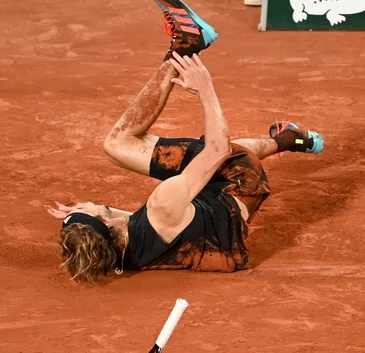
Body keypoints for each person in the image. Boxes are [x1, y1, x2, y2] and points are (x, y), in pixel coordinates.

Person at [47, 0, 325, 284]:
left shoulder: (121, 255)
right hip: (239, 183)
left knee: (219, 160)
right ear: (106, 224)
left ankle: (292, 139)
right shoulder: (163, 203)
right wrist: (205, 90)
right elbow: (220, 150)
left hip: (227, 242)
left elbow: (139, 223)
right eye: (86, 209)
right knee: (120, 144)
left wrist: (87, 216)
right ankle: (186, 45)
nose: (84, 204)